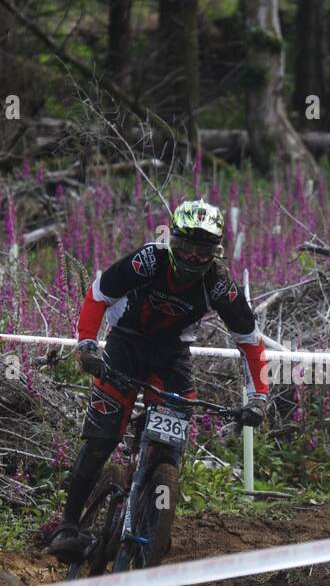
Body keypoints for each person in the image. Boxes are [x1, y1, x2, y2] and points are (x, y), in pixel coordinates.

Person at [47, 199, 269, 562]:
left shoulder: (219, 286)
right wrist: (88, 344)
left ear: (217, 253)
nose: (193, 258)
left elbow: (248, 340)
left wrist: (258, 397)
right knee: (102, 439)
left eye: (204, 251)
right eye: (185, 247)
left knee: (171, 442)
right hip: (126, 345)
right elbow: (99, 293)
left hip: (171, 357)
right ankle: (68, 526)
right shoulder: (148, 261)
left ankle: (155, 512)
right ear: (172, 242)